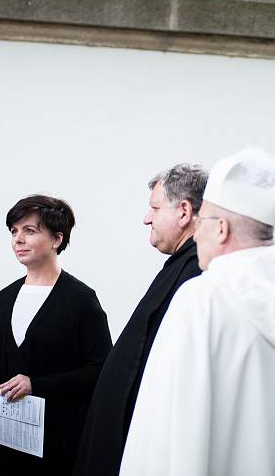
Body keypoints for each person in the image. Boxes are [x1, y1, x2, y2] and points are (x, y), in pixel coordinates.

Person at [120, 148, 275, 476]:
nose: (196, 232)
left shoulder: (201, 301)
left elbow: (163, 435)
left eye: (203, 222)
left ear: (222, 229)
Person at [73, 163, 207, 476]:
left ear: (183, 211)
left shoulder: (197, 272)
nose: (147, 218)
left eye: (155, 208)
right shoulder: (182, 264)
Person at [0, 195, 112, 476]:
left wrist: (37, 385)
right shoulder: (3, 299)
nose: (18, 239)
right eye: (14, 231)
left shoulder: (81, 300)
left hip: (60, 448)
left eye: (29, 231)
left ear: (57, 239)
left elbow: (101, 371)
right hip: (6, 446)